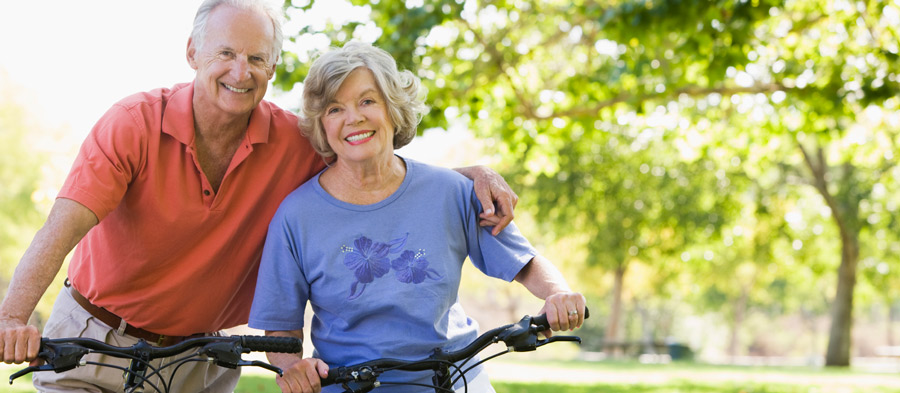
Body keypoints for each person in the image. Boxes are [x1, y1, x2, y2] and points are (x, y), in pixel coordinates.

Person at [0, 1, 518, 391]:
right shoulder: (134, 125)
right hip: (95, 341)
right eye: (225, 53)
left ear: (272, 68)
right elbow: (62, 227)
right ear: (192, 53)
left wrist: (467, 176)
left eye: (256, 58)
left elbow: (375, 170)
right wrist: (12, 318)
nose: (239, 71)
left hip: (199, 360)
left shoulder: (295, 142)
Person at [248, 41, 587, 393]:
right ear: (322, 125)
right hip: (349, 385)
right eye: (335, 108)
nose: (354, 118)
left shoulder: (451, 191)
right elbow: (280, 328)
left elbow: (524, 261)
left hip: (455, 378)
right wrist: (293, 367)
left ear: (394, 109)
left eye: (368, 101)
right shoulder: (296, 216)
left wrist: (558, 294)